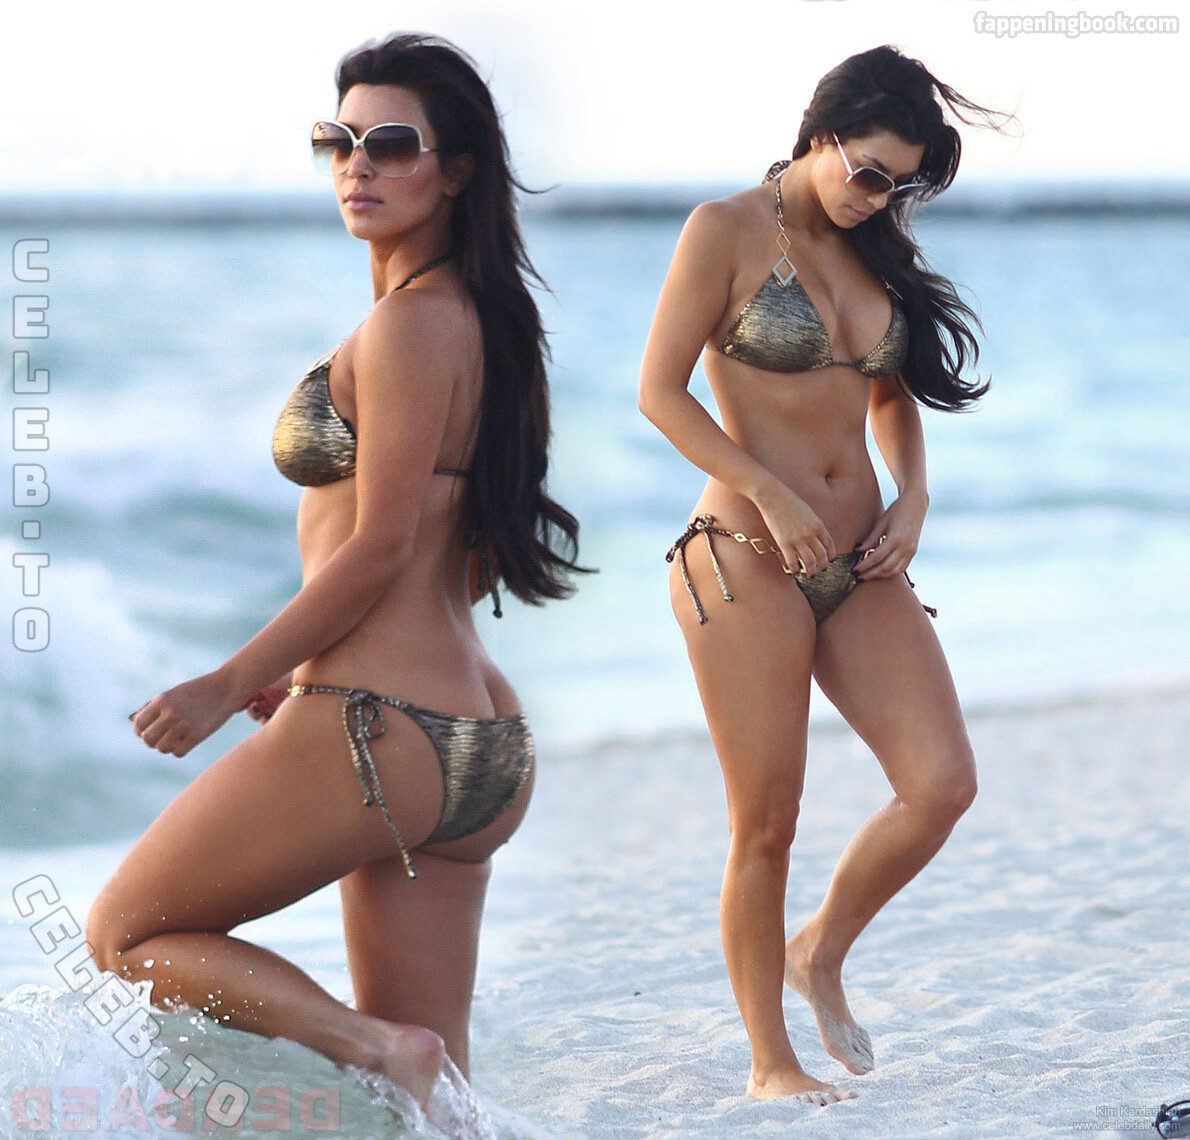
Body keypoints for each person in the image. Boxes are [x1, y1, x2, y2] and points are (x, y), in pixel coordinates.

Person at [86, 33, 584, 1111]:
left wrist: (224, 683)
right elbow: (460, 549)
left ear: (455, 170)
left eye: (390, 144)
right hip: (481, 742)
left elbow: (381, 544)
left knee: (124, 933)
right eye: (338, 141)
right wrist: (301, 661)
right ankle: (396, 1059)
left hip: (378, 724)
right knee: (440, 1101)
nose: (357, 165)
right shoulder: (484, 322)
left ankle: (368, 1045)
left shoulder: (409, 326)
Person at [638, 45, 1005, 1103]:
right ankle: (770, 1062)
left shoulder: (871, 247)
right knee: (766, 823)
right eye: (868, 172)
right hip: (744, 558)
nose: (877, 197)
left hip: (862, 560)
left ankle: (819, 949)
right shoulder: (722, 231)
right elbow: (659, 392)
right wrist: (768, 490)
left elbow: (890, 393)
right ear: (819, 135)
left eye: (898, 184)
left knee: (940, 784)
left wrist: (914, 495)